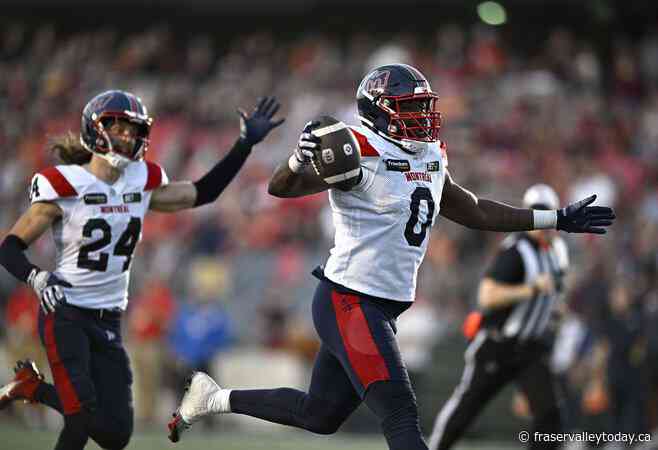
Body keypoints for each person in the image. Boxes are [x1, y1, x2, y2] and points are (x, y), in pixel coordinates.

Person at [168, 64, 615, 450]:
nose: (422, 117)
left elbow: (473, 209)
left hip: (379, 304)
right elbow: (281, 189)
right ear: (379, 112)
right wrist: (295, 161)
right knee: (400, 413)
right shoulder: (357, 148)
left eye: (423, 107)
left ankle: (213, 399)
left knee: (320, 415)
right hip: (349, 299)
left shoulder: (431, 152)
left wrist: (554, 218)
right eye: (410, 108)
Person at [0, 91, 284, 450]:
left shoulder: (141, 180)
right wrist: (37, 277)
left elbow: (202, 193)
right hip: (65, 312)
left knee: (116, 435)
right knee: (79, 420)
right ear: (95, 130)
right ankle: (37, 390)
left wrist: (244, 144)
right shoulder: (65, 184)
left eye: (133, 130)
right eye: (118, 128)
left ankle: (32, 388)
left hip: (107, 319)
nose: (127, 137)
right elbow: (10, 247)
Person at [427, 184, 569, 450]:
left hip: (531, 347)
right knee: (467, 408)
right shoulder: (517, 250)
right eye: (537, 213)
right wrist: (531, 288)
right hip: (498, 344)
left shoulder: (558, 251)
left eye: (547, 214)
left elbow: (558, 300)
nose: (544, 223)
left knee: (551, 416)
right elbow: (487, 295)